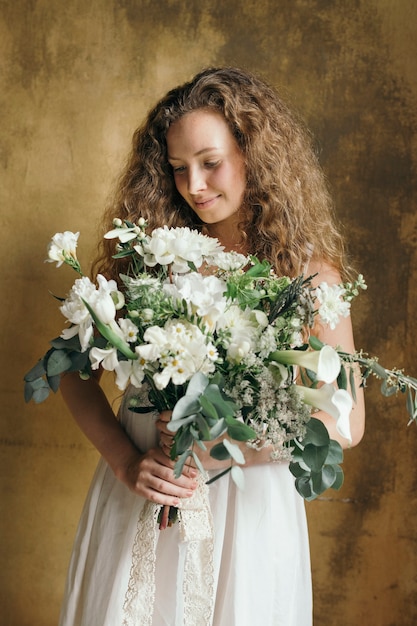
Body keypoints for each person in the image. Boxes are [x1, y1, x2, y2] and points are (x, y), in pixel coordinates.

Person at [58, 67, 365, 626]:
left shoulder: (308, 276)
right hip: (146, 495)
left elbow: (346, 422)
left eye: (210, 162)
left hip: (247, 510)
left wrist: (221, 444)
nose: (193, 186)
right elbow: (70, 372)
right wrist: (127, 463)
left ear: (256, 155)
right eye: (177, 169)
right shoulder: (151, 256)